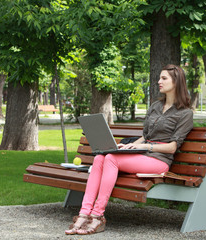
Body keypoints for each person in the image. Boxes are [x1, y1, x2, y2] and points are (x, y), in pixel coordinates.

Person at [65, 64, 194, 235]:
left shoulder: (185, 113)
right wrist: (130, 145)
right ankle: (83, 213)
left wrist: (144, 146)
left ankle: (97, 216)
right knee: (100, 158)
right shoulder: (155, 106)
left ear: (177, 82)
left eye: (164, 78)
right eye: (159, 78)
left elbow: (172, 148)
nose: (159, 81)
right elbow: (145, 135)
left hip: (159, 161)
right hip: (143, 154)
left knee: (110, 158)